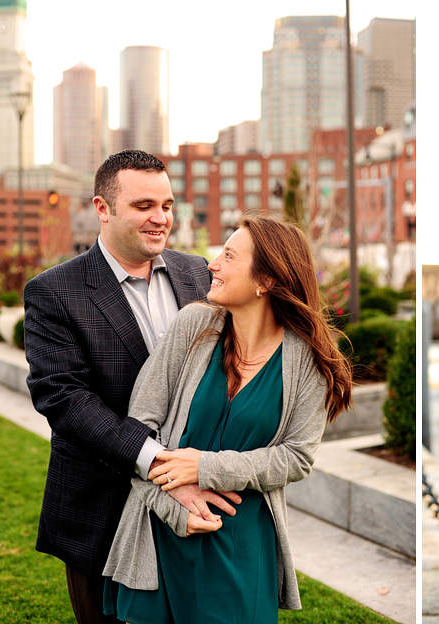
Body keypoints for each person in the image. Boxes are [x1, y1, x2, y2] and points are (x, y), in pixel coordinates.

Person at [101, 212, 353, 623]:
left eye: (229, 256)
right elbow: (137, 428)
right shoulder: (193, 325)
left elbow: (296, 457)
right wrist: (174, 501)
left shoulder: (308, 360)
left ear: (266, 280)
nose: (211, 264)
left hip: (241, 546)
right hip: (161, 531)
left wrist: (204, 466)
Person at [25, 150, 234, 624]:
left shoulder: (198, 273)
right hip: (101, 510)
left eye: (167, 204)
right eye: (144, 206)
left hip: (195, 506)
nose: (161, 219)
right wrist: (163, 467)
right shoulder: (54, 292)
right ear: (103, 208)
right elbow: (64, 398)